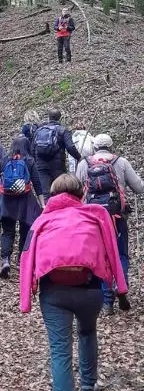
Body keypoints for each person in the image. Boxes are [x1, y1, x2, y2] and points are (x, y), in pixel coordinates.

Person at [19, 173, 127, 391]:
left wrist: (26, 300)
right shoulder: (97, 214)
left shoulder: (42, 220)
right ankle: (88, 386)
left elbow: (26, 256)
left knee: (60, 351)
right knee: (88, 332)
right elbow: (113, 249)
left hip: (53, 293)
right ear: (82, 193)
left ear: (54, 195)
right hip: (90, 290)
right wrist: (120, 290)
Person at [74, 134, 141, 313]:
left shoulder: (84, 164)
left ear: (94, 147)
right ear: (111, 146)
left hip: (93, 219)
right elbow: (139, 187)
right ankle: (122, 286)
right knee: (120, 254)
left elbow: (75, 188)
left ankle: (107, 300)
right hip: (116, 216)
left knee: (101, 257)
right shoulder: (121, 162)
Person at [0, 134, 44, 278]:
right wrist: (42, 203)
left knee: (7, 232)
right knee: (25, 231)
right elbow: (38, 184)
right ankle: (22, 260)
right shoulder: (30, 161)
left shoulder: (5, 160)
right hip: (25, 202)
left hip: (6, 201)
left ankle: (5, 260)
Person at [32, 110, 83, 198]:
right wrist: (79, 158)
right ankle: (61, 209)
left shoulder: (39, 130)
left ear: (49, 117)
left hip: (41, 165)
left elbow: (33, 148)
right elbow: (70, 147)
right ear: (60, 118)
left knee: (46, 193)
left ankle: (47, 209)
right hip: (57, 165)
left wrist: (37, 162)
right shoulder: (62, 130)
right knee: (60, 190)